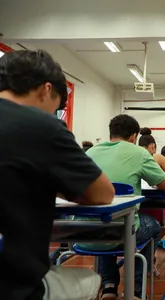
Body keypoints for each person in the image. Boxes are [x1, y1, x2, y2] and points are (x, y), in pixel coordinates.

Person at [0, 50, 115, 300]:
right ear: (45, 89)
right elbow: (103, 193)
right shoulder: (40, 125)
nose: (54, 114)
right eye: (57, 107)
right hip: (14, 285)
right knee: (90, 280)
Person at [83, 114, 165, 300]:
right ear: (133, 136)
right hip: (123, 232)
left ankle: (108, 286)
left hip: (85, 233)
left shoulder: (89, 153)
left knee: (106, 221)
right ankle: (137, 290)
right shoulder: (139, 153)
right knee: (151, 226)